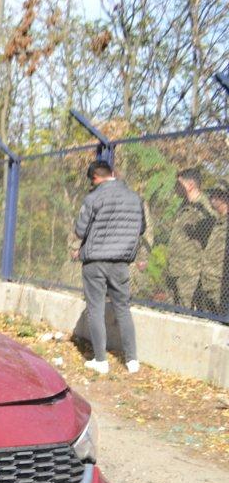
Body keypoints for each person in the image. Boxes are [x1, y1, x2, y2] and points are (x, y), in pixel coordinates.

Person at [72, 160, 145, 375]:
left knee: (95, 309)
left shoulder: (93, 198)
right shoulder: (135, 198)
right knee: (123, 308)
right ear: (112, 173)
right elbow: (141, 229)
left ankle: (100, 360)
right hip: (121, 262)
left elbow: (80, 230)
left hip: (95, 261)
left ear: (95, 177)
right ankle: (132, 361)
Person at [169, 167, 217, 309]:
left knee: (187, 311)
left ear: (190, 185)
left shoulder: (205, 206)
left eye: (179, 184)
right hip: (175, 268)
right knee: (173, 311)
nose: (176, 187)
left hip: (191, 271)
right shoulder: (183, 205)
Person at [196, 184, 228, 316]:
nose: (211, 198)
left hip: (221, 286)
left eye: (215, 195)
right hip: (207, 282)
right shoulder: (216, 221)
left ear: (224, 198)